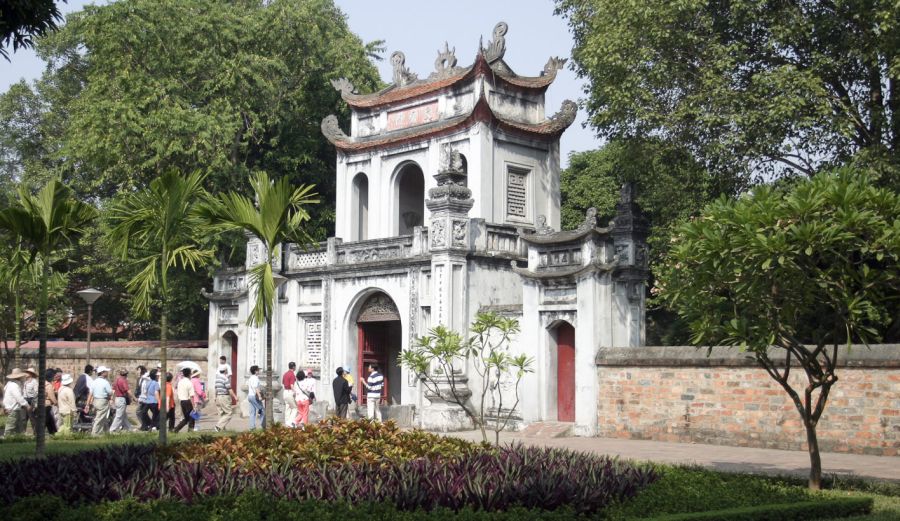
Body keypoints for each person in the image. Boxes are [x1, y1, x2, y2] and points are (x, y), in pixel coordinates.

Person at [86, 366, 113, 436]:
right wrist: (111, 398)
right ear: (102, 373)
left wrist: (87, 404)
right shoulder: (105, 382)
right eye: (106, 372)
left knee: (103, 417)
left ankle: (106, 432)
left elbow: (90, 394)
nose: (107, 373)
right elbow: (110, 393)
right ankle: (94, 433)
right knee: (99, 418)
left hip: (95, 401)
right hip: (103, 401)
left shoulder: (94, 382)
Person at [3, 368, 31, 436]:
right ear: (19, 377)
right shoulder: (14, 386)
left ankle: (21, 437)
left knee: (19, 425)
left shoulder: (9, 384)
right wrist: (27, 405)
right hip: (13, 408)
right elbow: (19, 398)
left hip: (12, 407)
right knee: (10, 426)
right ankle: (6, 439)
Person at [214, 364, 237, 431]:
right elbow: (229, 389)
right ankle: (218, 426)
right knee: (229, 413)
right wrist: (235, 397)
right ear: (225, 371)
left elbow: (216, 388)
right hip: (224, 396)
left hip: (218, 396)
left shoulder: (217, 378)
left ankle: (222, 428)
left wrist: (215, 397)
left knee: (221, 413)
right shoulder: (225, 378)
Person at [172, 367, 196, 433]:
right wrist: (194, 406)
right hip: (188, 401)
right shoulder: (189, 383)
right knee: (192, 418)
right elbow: (191, 396)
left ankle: (176, 429)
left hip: (182, 401)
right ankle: (190, 431)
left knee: (186, 418)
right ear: (189, 374)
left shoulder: (180, 382)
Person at [247, 365, 265, 430]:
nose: (259, 371)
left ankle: (252, 427)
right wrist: (259, 396)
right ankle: (263, 425)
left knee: (252, 412)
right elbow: (256, 388)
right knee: (262, 410)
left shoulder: (251, 378)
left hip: (250, 396)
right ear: (255, 371)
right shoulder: (255, 378)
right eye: (258, 370)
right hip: (254, 396)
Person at [22, 367, 38, 432]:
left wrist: (33, 402)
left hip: (31, 400)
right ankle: (22, 432)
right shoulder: (25, 382)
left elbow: (36, 392)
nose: (26, 373)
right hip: (25, 400)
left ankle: (35, 432)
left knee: (32, 418)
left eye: (27, 372)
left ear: (31, 374)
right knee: (24, 418)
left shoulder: (34, 382)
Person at [43, 368, 58, 435]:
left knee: (49, 421)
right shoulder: (49, 386)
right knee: (47, 421)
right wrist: (56, 403)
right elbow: (52, 397)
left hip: (43, 405)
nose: (55, 377)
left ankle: (53, 433)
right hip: (47, 405)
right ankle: (53, 433)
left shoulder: (43, 384)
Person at [282, 362, 297, 427]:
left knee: (287, 408)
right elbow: (291, 385)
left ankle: (286, 422)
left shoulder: (285, 374)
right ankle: (290, 422)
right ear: (293, 367)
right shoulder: (292, 374)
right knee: (295, 408)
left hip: (285, 391)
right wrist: (295, 392)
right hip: (290, 392)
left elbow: (283, 383)